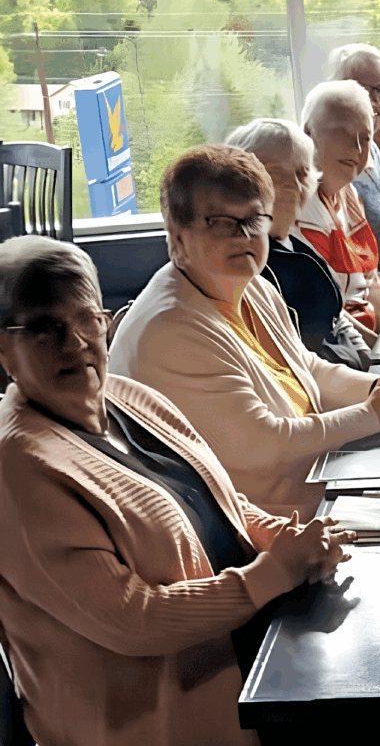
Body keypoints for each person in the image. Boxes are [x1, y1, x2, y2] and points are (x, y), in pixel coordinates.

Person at [0, 235, 356, 746]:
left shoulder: (126, 395)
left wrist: (293, 540)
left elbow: (225, 505)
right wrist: (273, 573)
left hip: (253, 653)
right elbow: (135, 619)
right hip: (169, 717)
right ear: (2, 347)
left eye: (86, 319)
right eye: (43, 328)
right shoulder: (17, 470)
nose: (75, 342)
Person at [108, 144, 380, 522]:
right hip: (268, 524)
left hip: (319, 478)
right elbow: (265, 443)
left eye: (255, 221)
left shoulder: (249, 283)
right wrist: (374, 415)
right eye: (223, 223)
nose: (244, 237)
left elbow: (306, 369)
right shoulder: (168, 329)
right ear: (177, 237)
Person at [225, 117, 372, 370]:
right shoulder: (251, 265)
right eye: (276, 174)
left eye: (302, 172)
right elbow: (296, 363)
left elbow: (336, 319)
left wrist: (373, 357)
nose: (293, 185)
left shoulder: (296, 246)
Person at [299, 79, 380, 344]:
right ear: (308, 133)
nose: (358, 149)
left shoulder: (347, 192)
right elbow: (328, 315)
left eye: (365, 138)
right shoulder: (299, 209)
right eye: (343, 133)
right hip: (348, 355)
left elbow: (370, 280)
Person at [328, 43, 380, 276]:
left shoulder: (372, 149)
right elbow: (345, 271)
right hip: (377, 294)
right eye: (363, 90)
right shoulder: (330, 164)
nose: (374, 101)